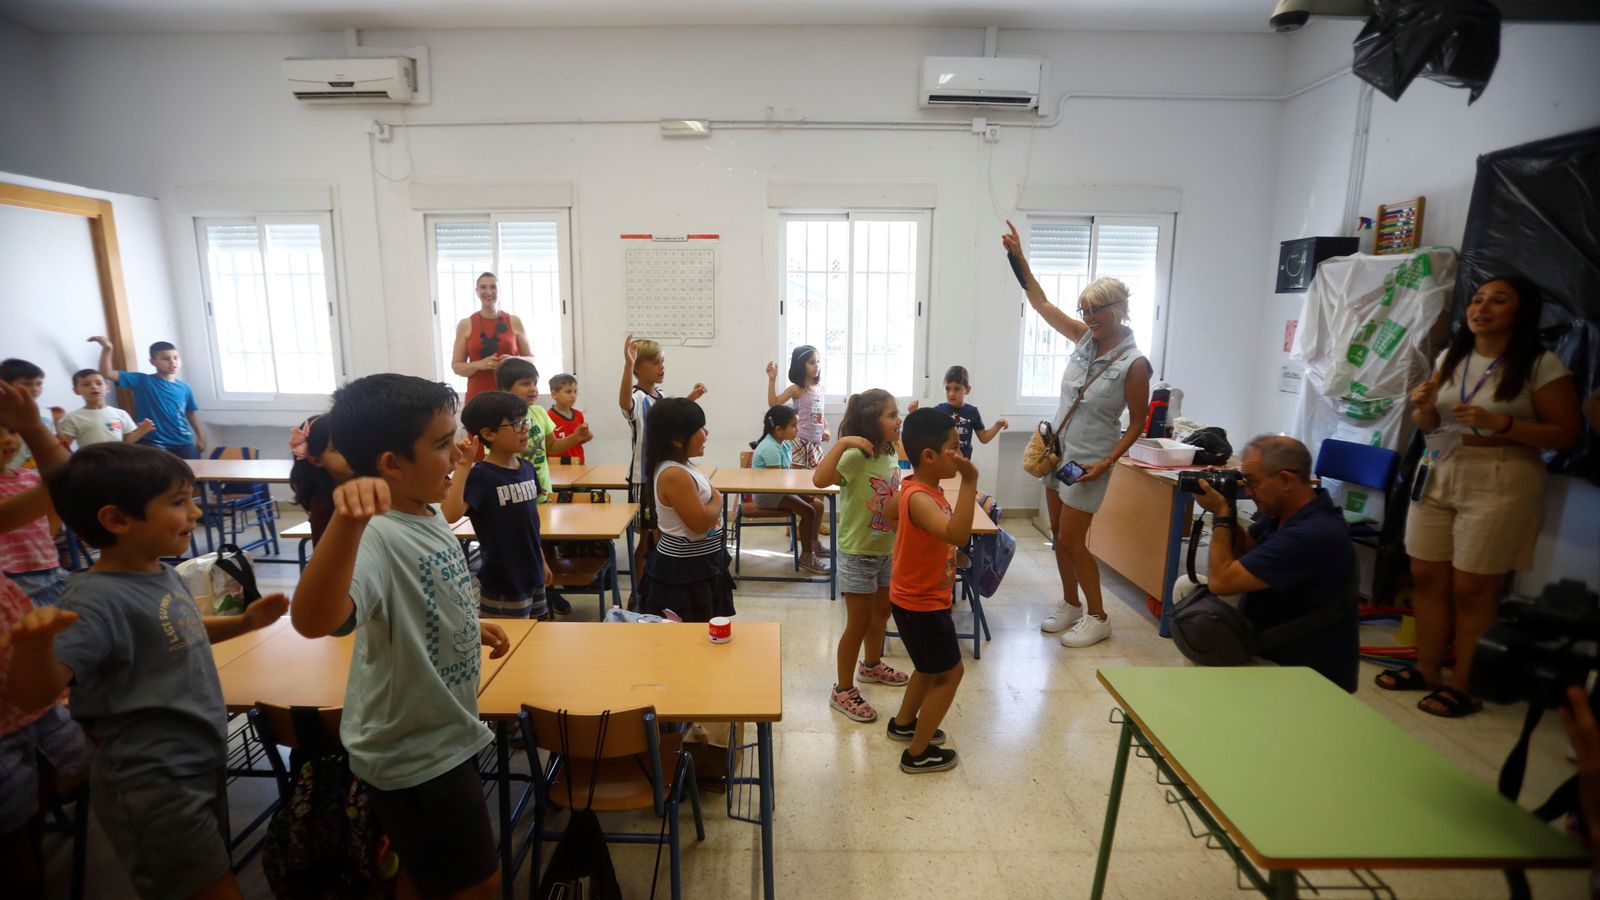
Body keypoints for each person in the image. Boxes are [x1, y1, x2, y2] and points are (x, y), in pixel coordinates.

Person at [7, 440, 289, 900]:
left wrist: (243, 622)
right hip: (152, 781)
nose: (196, 513)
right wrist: (35, 648)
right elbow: (34, 694)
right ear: (117, 520)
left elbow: (178, 628)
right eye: (179, 502)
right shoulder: (93, 600)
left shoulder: (157, 571)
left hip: (197, 760)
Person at [291, 373, 510, 900]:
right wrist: (349, 521)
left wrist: (467, 624)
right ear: (392, 464)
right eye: (441, 443)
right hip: (418, 754)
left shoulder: (425, 510)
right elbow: (314, 620)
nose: (455, 451)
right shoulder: (377, 534)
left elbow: (417, 595)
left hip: (439, 734)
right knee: (478, 887)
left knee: (425, 869)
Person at [1378, 275, 1582, 718]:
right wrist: (1423, 408)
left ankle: (1467, 686)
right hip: (1441, 468)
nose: (1481, 308)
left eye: (1498, 301)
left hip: (1502, 476)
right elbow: (1430, 422)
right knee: (1426, 576)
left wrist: (1502, 423)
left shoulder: (1540, 364)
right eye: (1477, 299)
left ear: (1520, 312)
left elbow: (1567, 434)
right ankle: (1428, 670)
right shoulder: (1451, 356)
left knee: (1473, 588)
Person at [1003, 220, 1152, 649]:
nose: (1089, 319)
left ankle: (1099, 616)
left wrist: (1105, 464)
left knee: (1072, 539)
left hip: (1088, 462)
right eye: (1084, 311)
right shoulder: (1085, 341)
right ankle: (1070, 603)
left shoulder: (1134, 364)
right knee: (1058, 540)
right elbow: (1042, 303)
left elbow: (1138, 423)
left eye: (1096, 311)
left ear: (1119, 309)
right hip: (1058, 454)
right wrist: (1018, 257)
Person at [0, 386, 91, 898]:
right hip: (12, 718)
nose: (6, 443)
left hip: (30, 708)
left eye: (9, 435)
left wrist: (33, 427)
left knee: (25, 840)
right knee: (16, 859)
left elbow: (62, 484)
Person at [1190, 435, 1359, 692]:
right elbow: (1245, 548)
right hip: (1269, 639)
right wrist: (1226, 504)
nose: (1247, 491)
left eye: (1253, 482)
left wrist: (1222, 516)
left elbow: (1221, 582)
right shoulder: (1291, 513)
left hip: (1301, 673)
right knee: (1187, 593)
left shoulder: (1313, 533)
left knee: (1200, 625)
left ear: (1285, 480)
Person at [886, 408, 977, 774]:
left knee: (926, 668)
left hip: (914, 599)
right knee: (950, 674)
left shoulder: (914, 488)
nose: (961, 455)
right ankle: (918, 753)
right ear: (929, 456)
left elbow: (891, 512)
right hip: (921, 605)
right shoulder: (922, 498)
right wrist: (970, 482)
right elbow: (958, 535)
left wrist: (910, 540)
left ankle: (905, 724)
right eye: (954, 448)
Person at [814, 389, 909, 723]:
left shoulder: (890, 452)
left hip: (886, 548)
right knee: (858, 623)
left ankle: (871, 666)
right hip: (858, 552)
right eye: (892, 415)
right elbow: (819, 479)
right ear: (872, 421)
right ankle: (842, 689)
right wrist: (841, 444)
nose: (899, 421)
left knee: (881, 614)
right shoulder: (855, 457)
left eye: (898, 414)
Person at [443, 391, 555, 620]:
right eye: (515, 424)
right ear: (488, 433)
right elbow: (450, 514)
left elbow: (530, 526)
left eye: (525, 421)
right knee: (509, 645)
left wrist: (541, 561)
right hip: (504, 581)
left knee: (535, 636)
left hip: (532, 573)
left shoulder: (526, 468)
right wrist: (464, 465)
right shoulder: (482, 475)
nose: (525, 428)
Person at [638, 397, 734, 623]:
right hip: (684, 570)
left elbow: (707, 502)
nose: (706, 433)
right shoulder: (674, 473)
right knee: (687, 636)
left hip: (703, 562)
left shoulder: (685, 466)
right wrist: (718, 501)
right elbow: (701, 522)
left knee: (705, 629)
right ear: (678, 440)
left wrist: (713, 503)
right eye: (699, 428)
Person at [89, 335, 206, 458]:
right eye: (165, 358)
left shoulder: (184, 387)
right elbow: (107, 373)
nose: (172, 362)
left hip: (182, 442)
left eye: (175, 357)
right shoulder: (143, 381)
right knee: (159, 471)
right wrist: (108, 348)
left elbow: (191, 412)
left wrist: (201, 437)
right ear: (153, 362)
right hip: (152, 441)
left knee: (194, 471)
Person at [620, 333, 706, 497]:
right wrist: (628, 365)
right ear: (638, 368)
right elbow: (625, 403)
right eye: (655, 363)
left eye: (662, 361)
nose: (661, 366)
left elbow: (672, 418)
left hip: (662, 469)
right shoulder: (638, 397)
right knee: (643, 521)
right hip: (642, 476)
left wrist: (692, 397)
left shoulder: (660, 394)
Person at [497, 360, 591, 502]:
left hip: (544, 492)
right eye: (525, 384)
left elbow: (551, 446)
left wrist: (575, 437)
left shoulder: (539, 412)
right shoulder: (499, 419)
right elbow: (497, 463)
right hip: (517, 495)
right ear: (505, 388)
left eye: (535, 383)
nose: (533, 388)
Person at [749, 404, 828, 574]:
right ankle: (806, 557)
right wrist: (803, 495)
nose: (797, 430)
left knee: (818, 505)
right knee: (809, 511)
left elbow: (788, 471)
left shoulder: (783, 444)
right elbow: (779, 483)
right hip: (767, 495)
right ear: (779, 429)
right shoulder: (770, 447)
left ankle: (813, 545)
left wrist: (805, 487)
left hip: (779, 491)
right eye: (793, 426)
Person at [0, 426, 68, 608]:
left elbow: (54, 506)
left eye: (13, 431)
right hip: (8, 579)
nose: (8, 439)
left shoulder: (30, 478)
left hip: (47, 567)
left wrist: (48, 537)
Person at [450, 272, 530, 402]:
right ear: (476, 291)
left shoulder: (514, 321)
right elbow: (457, 366)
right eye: (483, 287)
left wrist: (513, 360)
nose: (488, 291)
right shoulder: (466, 324)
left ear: (500, 290)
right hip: (478, 397)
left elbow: (532, 359)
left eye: (493, 287)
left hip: (511, 396)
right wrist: (479, 365)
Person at [908, 365, 1009, 459]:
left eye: (957, 389)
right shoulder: (937, 410)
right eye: (947, 389)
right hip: (943, 462)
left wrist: (997, 426)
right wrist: (913, 414)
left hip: (963, 463)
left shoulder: (972, 412)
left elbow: (983, 438)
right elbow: (923, 432)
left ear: (967, 390)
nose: (951, 393)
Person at [288, 414, 353, 547]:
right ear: (317, 460)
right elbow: (326, 558)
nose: (352, 452)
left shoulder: (370, 480)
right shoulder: (323, 506)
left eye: (352, 443)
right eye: (338, 449)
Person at [57, 369, 153, 450]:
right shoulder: (73, 417)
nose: (94, 387)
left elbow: (126, 442)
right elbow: (65, 446)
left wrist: (141, 431)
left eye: (99, 383)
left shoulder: (121, 414)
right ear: (76, 391)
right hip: (90, 464)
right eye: (86, 384)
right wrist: (56, 423)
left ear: (107, 388)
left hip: (119, 462)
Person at [766, 346, 828, 468]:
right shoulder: (796, 389)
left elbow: (820, 415)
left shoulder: (820, 389)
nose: (816, 365)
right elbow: (774, 403)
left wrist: (826, 430)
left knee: (814, 479)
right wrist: (772, 380)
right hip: (799, 441)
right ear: (800, 366)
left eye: (818, 361)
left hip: (815, 444)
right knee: (796, 477)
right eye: (811, 362)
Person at [0, 359, 58, 470]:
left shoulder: (46, 412)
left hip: (40, 470)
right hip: (10, 471)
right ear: (5, 385)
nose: (35, 389)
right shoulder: (4, 414)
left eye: (39, 384)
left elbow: (52, 440)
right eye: (27, 384)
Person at [547, 373, 587, 465]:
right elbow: (549, 446)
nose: (573, 396)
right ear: (554, 394)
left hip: (578, 462)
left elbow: (578, 440)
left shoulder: (579, 415)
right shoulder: (548, 417)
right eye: (568, 392)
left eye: (575, 391)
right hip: (558, 466)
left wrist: (585, 438)